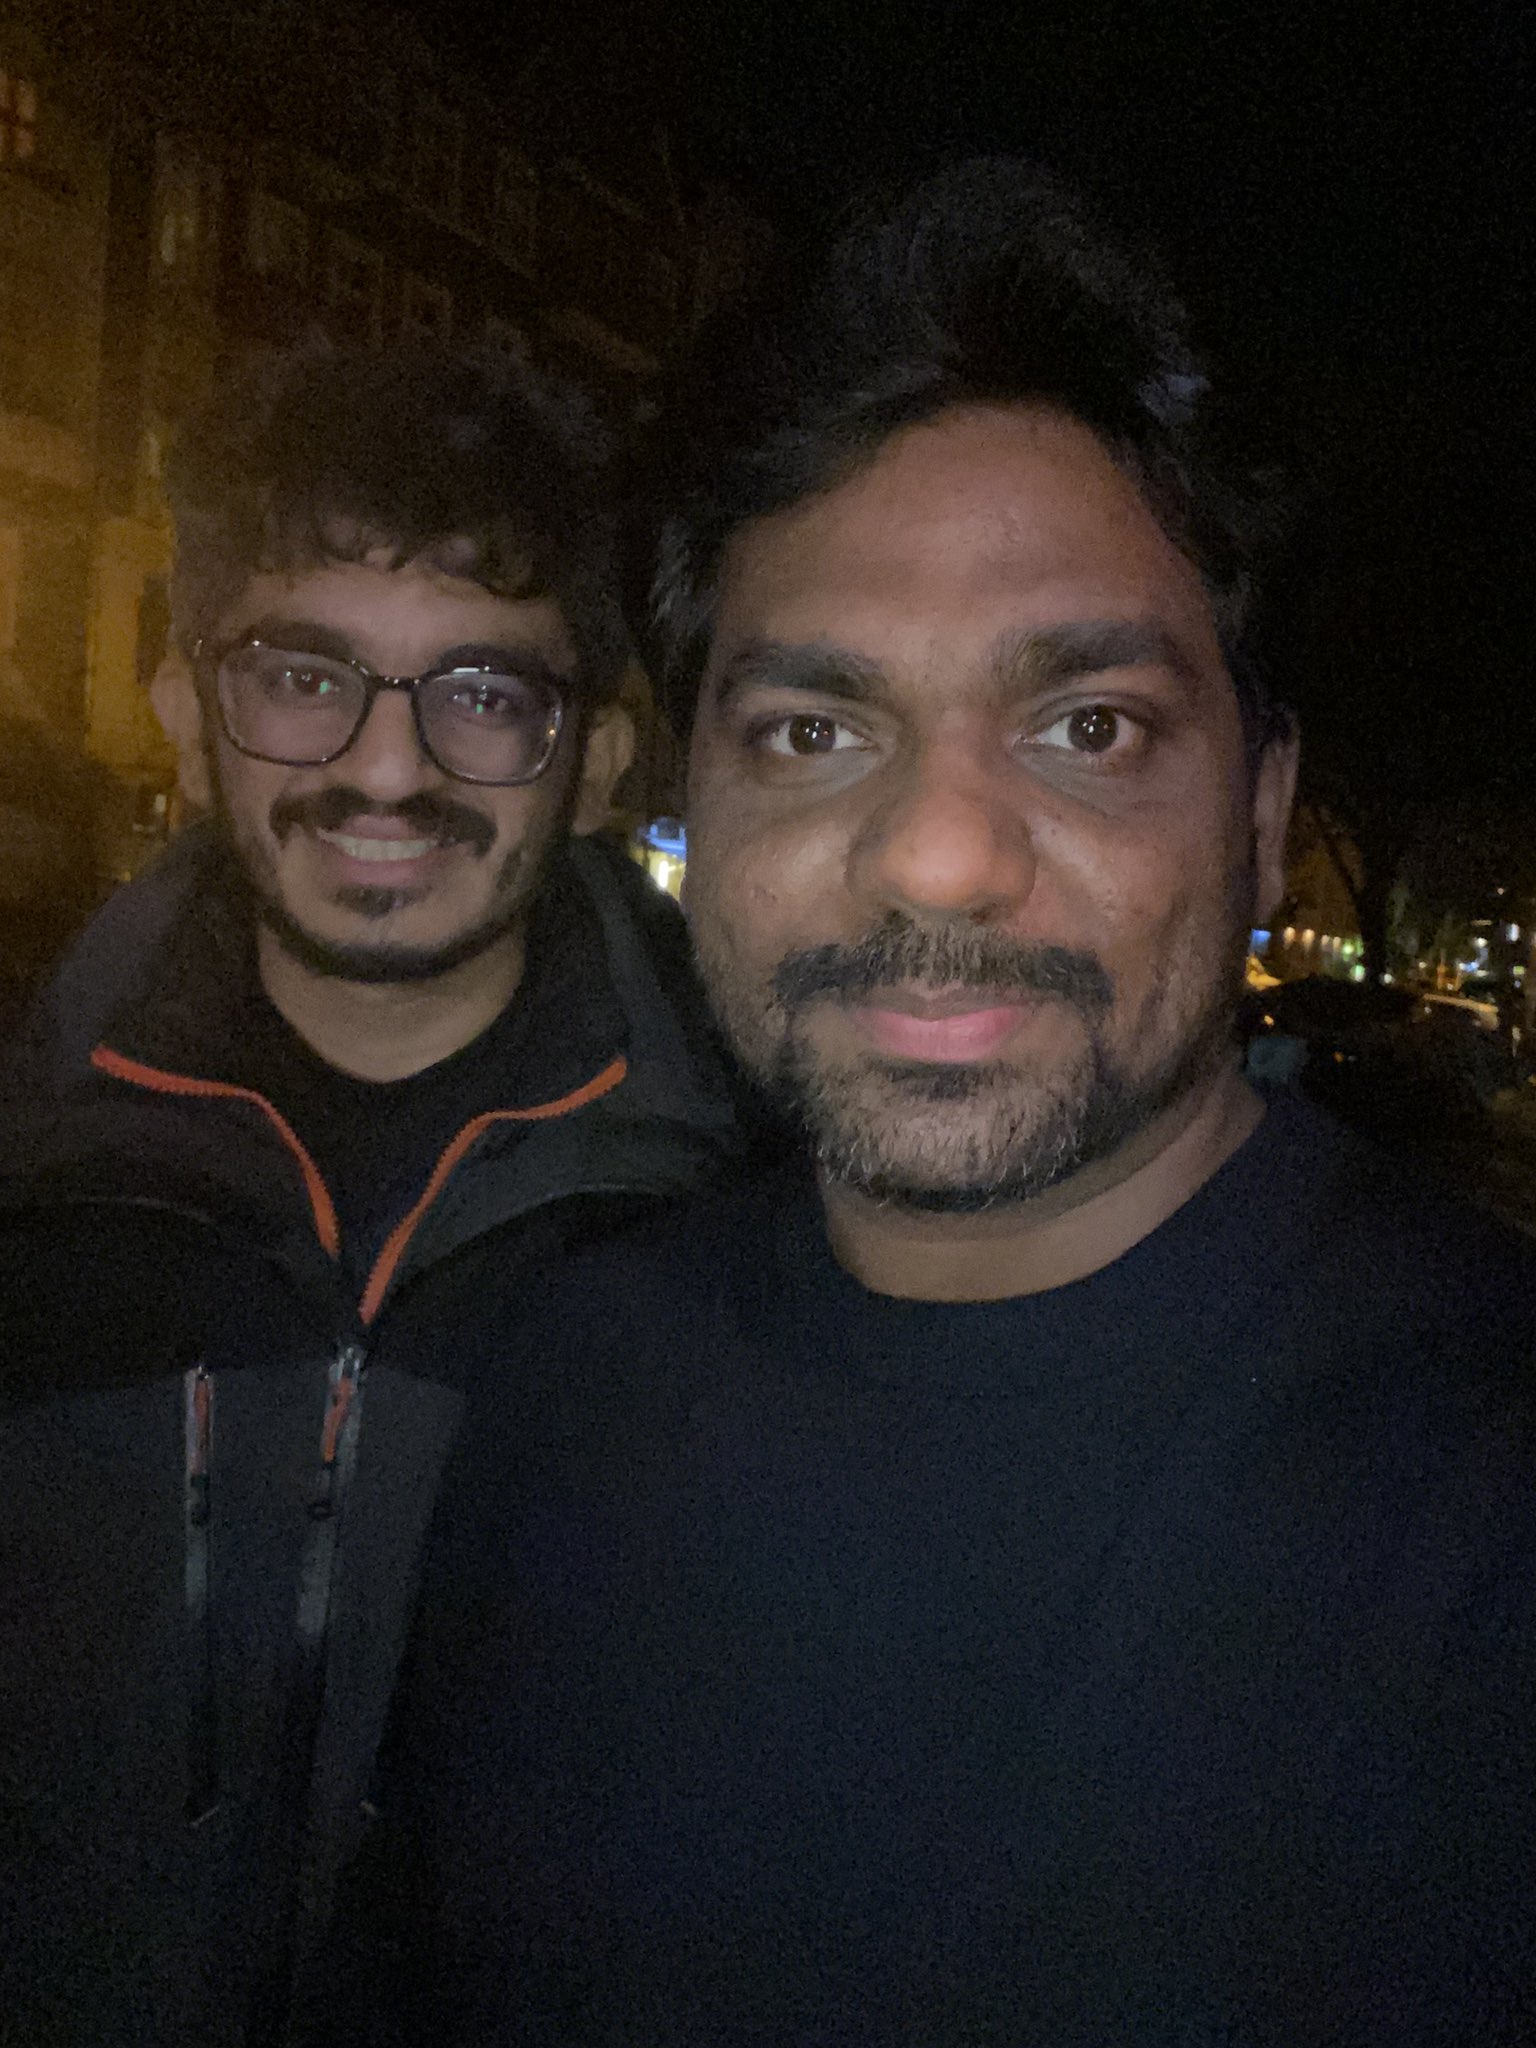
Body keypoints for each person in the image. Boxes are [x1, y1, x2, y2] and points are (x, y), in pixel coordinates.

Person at [353, 164, 1536, 2044]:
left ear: (1258, 811)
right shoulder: (559, 1390)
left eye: (1089, 726)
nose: (936, 856)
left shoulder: (1479, 1503)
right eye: (813, 731)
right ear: (695, 793)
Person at [0, 346, 738, 2047]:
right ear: (188, 713)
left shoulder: (742, 1234)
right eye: (303, 675)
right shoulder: (23, 1184)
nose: (390, 770)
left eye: (484, 692)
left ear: (599, 758)